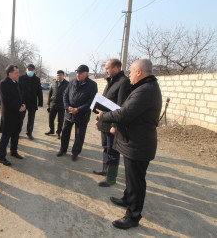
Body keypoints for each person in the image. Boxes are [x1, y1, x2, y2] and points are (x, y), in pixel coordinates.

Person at [96, 59, 162, 229]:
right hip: (133, 142)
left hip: (139, 144)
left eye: (132, 71)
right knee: (131, 179)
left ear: (139, 72)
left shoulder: (146, 90)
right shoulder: (143, 88)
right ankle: (127, 199)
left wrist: (103, 116)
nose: (130, 75)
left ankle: (133, 216)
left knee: (136, 182)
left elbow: (124, 113)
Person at [94, 59, 130, 187]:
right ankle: (105, 170)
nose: (106, 71)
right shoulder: (110, 81)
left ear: (115, 68)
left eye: (107, 68)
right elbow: (104, 102)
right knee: (105, 148)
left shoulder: (123, 82)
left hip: (113, 125)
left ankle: (111, 178)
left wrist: (115, 126)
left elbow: (120, 107)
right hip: (105, 121)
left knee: (113, 151)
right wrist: (99, 119)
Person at [57, 64, 98, 161]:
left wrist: (78, 109)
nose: (78, 75)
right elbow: (65, 95)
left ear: (86, 74)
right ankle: (63, 149)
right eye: (77, 73)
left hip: (82, 115)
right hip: (69, 113)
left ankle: (75, 153)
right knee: (65, 132)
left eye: (80, 73)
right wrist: (67, 107)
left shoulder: (92, 85)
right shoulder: (72, 82)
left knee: (79, 135)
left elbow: (91, 101)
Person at [0, 65, 26, 166]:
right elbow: (7, 100)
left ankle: (13, 152)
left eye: (18, 72)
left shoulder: (16, 83)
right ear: (10, 73)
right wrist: (18, 107)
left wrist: (23, 104)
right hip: (9, 115)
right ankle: (1, 157)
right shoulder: (4, 83)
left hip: (18, 114)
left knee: (16, 135)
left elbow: (21, 96)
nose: (18, 74)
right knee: (6, 136)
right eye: (16, 73)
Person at [19, 64, 43, 140]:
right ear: (26, 70)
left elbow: (39, 91)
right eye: (29, 69)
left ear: (34, 70)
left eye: (31, 70)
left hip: (32, 102)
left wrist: (40, 102)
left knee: (31, 119)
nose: (30, 71)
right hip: (23, 102)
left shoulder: (37, 79)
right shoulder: (21, 78)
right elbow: (18, 90)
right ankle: (17, 132)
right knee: (20, 118)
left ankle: (29, 133)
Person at [45, 70, 69, 139]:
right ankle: (51, 130)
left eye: (60, 75)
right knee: (51, 118)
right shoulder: (53, 83)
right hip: (53, 104)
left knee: (60, 120)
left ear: (63, 76)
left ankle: (58, 132)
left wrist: (67, 104)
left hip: (62, 105)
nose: (59, 76)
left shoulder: (67, 84)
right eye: (57, 75)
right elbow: (50, 94)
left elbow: (68, 95)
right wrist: (48, 104)